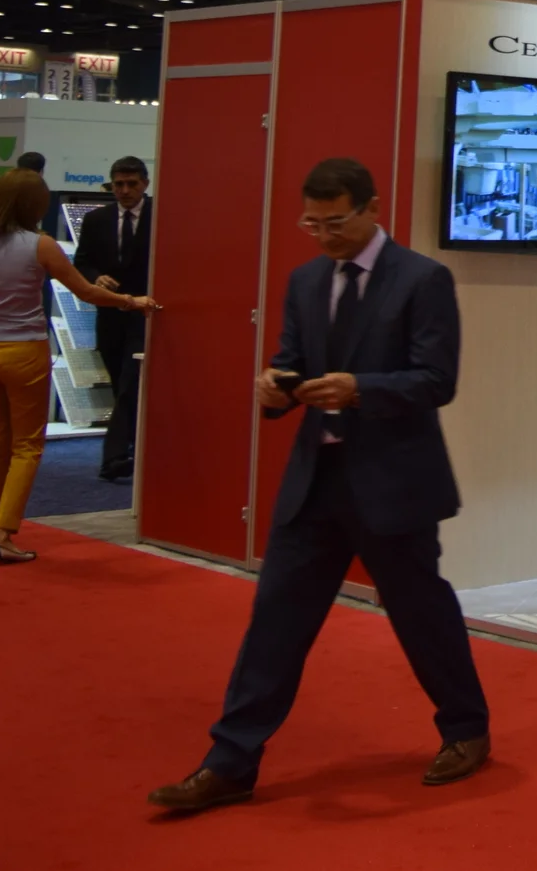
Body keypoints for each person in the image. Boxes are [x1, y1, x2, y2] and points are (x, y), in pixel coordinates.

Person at [147, 157, 492, 811]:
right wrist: (274, 386)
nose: (324, 235)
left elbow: (436, 380)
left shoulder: (423, 279)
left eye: (336, 222)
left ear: (371, 208)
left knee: (420, 614)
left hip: (394, 481)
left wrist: (361, 389)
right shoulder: (305, 280)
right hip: (315, 481)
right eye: (312, 223)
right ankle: (230, 762)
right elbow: (291, 360)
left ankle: (466, 728)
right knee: (275, 621)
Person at [0, 169, 160, 566]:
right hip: (24, 351)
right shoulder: (41, 244)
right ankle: (2, 533)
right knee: (26, 446)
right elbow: (86, 291)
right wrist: (131, 301)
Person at [73, 156, 153, 482]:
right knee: (121, 383)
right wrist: (95, 277)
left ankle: (114, 456)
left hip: (146, 313)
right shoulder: (96, 220)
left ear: (145, 184)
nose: (124, 190)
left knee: (130, 383)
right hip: (109, 315)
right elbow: (82, 262)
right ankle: (133, 446)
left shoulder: (162, 216)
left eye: (131, 184)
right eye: (119, 184)